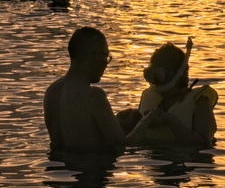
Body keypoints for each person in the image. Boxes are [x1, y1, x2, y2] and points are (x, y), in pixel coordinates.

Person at [44, 27, 185, 152]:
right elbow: (123, 145)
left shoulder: (51, 91)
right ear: (97, 57)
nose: (106, 64)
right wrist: (147, 120)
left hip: (62, 177)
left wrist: (115, 120)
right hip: (91, 175)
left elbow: (79, 133)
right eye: (107, 57)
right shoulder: (94, 95)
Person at [131, 39, 218, 148]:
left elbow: (203, 142)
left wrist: (169, 120)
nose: (157, 84)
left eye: (160, 76)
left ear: (178, 75)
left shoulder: (200, 103)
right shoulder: (153, 99)